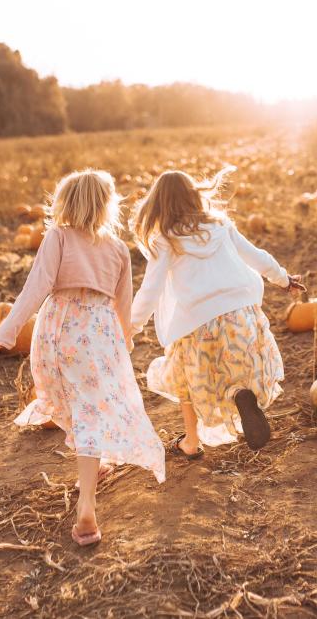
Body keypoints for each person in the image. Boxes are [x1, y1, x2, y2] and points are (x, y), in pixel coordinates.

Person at [0, 169, 165, 547]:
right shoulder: (119, 249)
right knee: (92, 404)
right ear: (108, 206)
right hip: (100, 331)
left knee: (74, 403)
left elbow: (36, 286)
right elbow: (123, 305)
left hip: (60, 329)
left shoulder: (57, 237)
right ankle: (90, 486)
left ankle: (87, 500)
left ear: (65, 203)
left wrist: (8, 330)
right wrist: (124, 342)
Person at [129, 167, 304, 459]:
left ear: (158, 204)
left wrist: (130, 327)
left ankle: (192, 442)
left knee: (185, 377)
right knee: (234, 368)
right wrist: (283, 279)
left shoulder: (165, 239)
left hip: (198, 323)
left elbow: (151, 289)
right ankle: (239, 395)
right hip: (241, 315)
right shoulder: (220, 225)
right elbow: (256, 255)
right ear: (193, 196)